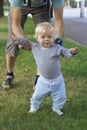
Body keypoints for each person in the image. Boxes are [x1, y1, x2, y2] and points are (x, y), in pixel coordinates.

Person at [2, 0, 64, 89]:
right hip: (20, 6)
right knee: (13, 41)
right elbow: (15, 23)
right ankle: (9, 74)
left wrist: (58, 39)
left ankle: (39, 79)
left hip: (42, 7)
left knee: (45, 42)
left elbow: (59, 19)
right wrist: (22, 39)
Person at [27, 22, 78, 115]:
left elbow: (66, 52)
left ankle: (57, 108)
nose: (46, 39)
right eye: (43, 37)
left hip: (58, 80)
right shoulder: (35, 47)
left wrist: (71, 52)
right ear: (37, 38)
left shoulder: (57, 48)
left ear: (53, 37)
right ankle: (34, 107)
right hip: (43, 80)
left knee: (61, 97)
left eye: (49, 37)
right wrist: (18, 42)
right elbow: (23, 43)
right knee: (37, 95)